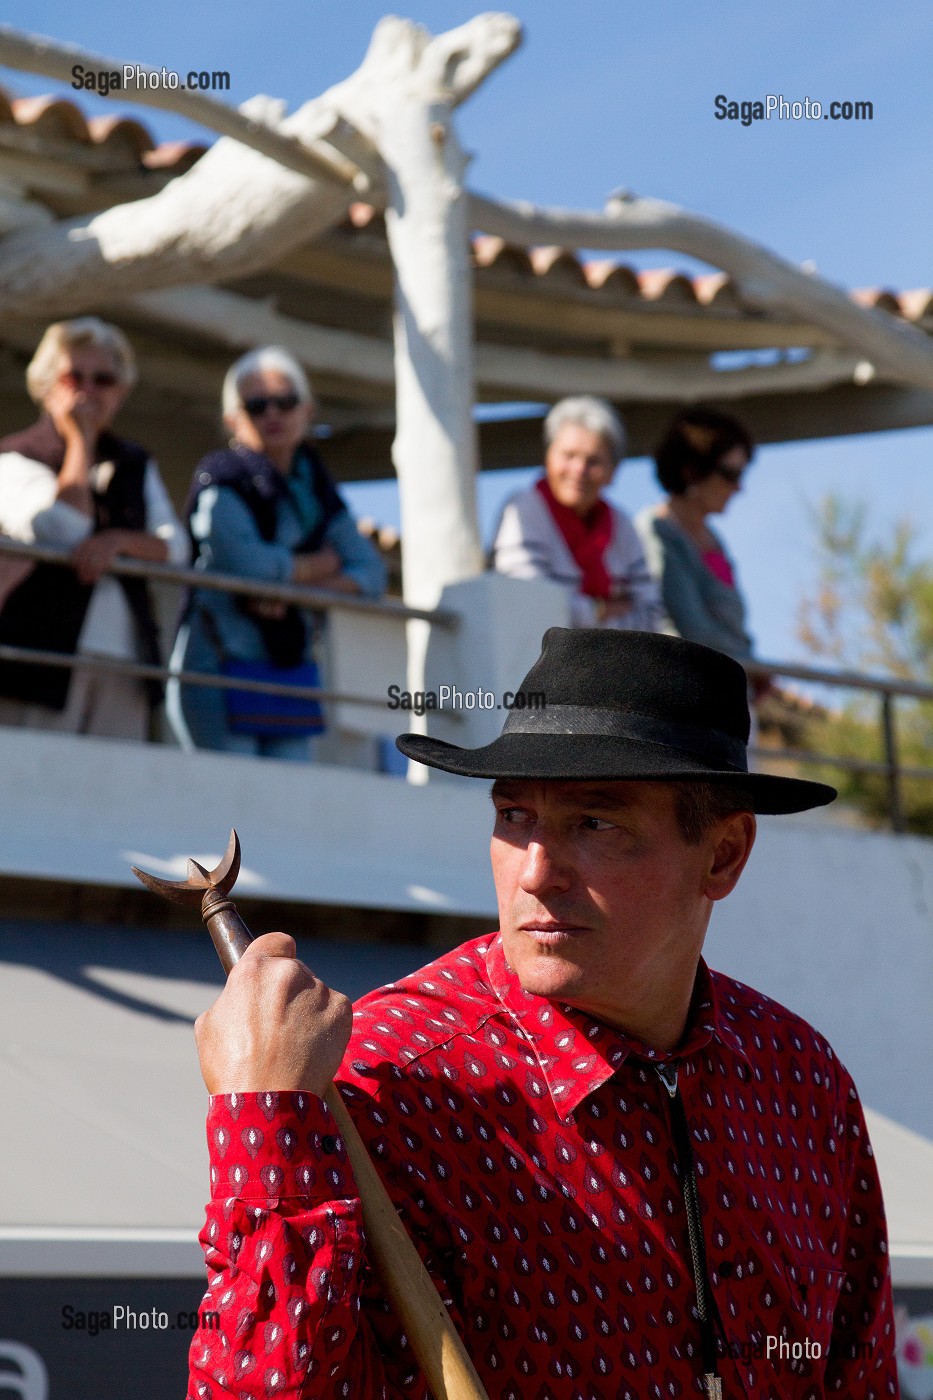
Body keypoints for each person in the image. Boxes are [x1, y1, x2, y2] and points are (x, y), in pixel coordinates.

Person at [187, 629, 897, 1400]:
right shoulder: (379, 1083)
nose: (536, 872)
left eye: (596, 824)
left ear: (722, 855)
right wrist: (264, 1121)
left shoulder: (799, 1081)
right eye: (515, 816)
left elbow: (855, 1375)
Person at [167, 347, 386, 760]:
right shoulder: (222, 478)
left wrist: (292, 589)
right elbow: (247, 566)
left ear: (307, 410)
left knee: (288, 803)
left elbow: (371, 572)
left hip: (287, 667)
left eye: (285, 402)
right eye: (256, 404)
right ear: (233, 419)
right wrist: (319, 565)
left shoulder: (316, 489)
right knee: (230, 805)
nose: (273, 413)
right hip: (219, 663)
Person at [0, 318, 188, 741]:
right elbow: (63, 529)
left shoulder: (135, 463)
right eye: (72, 378)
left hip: (124, 661)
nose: (88, 390)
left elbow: (175, 547)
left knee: (110, 796)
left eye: (103, 379)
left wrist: (118, 542)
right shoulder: (13, 457)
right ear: (47, 386)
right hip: (34, 664)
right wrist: (79, 443)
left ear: (120, 392)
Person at [491, 395, 662, 630]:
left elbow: (651, 614)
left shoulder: (622, 525)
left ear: (613, 472)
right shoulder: (524, 509)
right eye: (569, 455)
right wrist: (600, 609)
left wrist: (571, 611)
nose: (579, 470)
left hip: (614, 663)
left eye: (593, 461)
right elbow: (528, 602)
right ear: (548, 458)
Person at [636, 406, 757, 668]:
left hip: (727, 681)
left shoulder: (714, 540)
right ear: (691, 470)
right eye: (730, 474)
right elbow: (688, 629)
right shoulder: (655, 531)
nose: (738, 487)